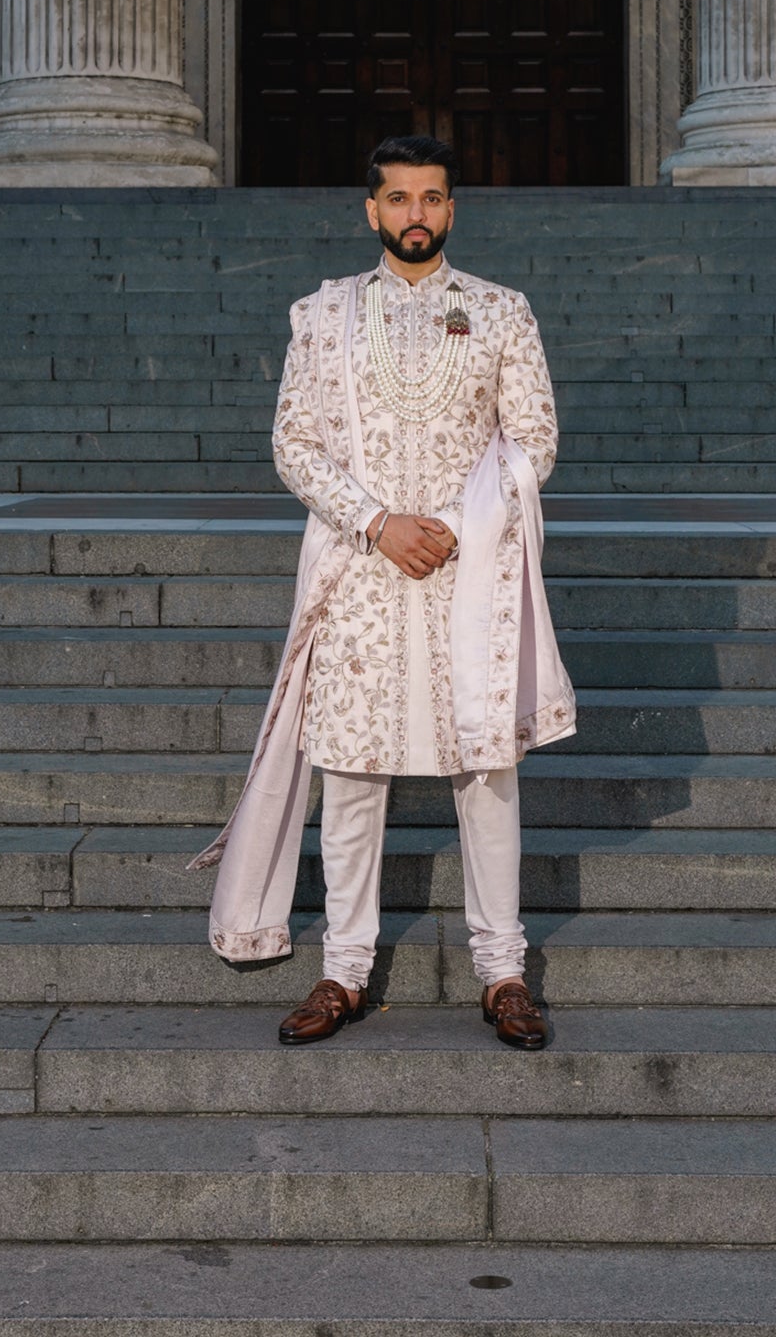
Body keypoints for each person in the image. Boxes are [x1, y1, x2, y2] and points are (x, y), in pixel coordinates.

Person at [190, 135, 575, 1049]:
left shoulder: (499, 312)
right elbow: (295, 444)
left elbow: (534, 440)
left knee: (485, 773)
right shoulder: (322, 318)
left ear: (451, 210)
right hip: (362, 572)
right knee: (353, 773)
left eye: (432, 199)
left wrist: (456, 521)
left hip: (467, 572)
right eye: (398, 199)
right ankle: (344, 972)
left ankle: (503, 969)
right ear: (372, 211)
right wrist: (377, 522)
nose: (415, 215)